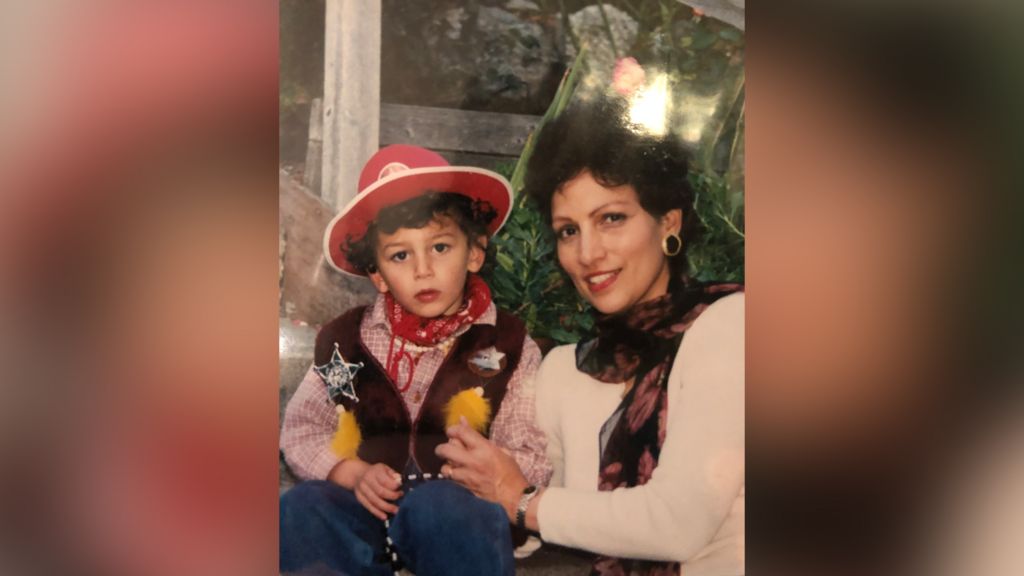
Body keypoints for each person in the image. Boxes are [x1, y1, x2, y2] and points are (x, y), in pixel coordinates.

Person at [436, 97, 745, 576]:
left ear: (668, 222)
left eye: (611, 219)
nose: (588, 252)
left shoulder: (729, 325)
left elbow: (678, 524)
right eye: (567, 231)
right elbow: (555, 527)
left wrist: (519, 499)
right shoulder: (562, 369)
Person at [279, 144, 551, 576]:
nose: (423, 269)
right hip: (363, 510)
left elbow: (533, 451)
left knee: (444, 509)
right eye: (400, 255)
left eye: (440, 247)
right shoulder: (346, 342)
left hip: (459, 515)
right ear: (377, 275)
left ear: (475, 252)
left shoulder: (508, 345)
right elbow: (302, 429)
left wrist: (484, 472)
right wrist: (350, 474)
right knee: (302, 506)